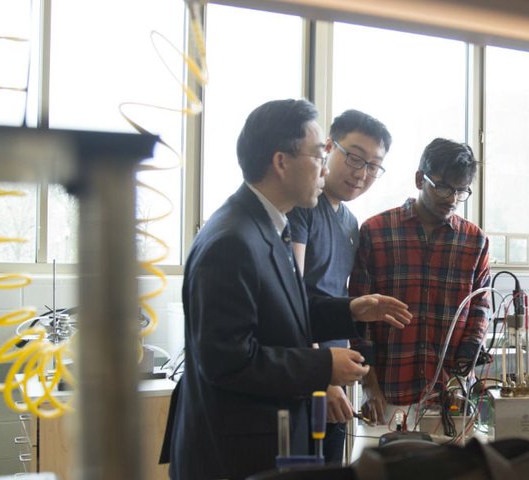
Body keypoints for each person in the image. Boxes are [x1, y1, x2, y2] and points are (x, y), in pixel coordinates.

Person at [163, 99, 412, 480]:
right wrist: (324, 366)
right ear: (281, 162)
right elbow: (228, 360)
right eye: (319, 156)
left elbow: (283, 315)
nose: (324, 168)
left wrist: (349, 310)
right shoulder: (231, 241)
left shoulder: (267, 226)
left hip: (266, 442)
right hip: (233, 454)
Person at [351, 138, 491, 425]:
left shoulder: (474, 240)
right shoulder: (376, 232)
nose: (451, 199)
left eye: (460, 191)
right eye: (442, 187)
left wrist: (461, 372)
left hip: (449, 396)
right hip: (388, 394)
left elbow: (480, 309)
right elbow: (358, 320)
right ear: (419, 179)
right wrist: (369, 385)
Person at [286, 109, 391, 464]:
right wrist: (323, 379)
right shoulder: (302, 208)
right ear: (329, 147)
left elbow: (339, 298)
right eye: (355, 158)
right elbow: (293, 297)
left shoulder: (350, 222)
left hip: (336, 372)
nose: (361, 173)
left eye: (373, 166)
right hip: (307, 370)